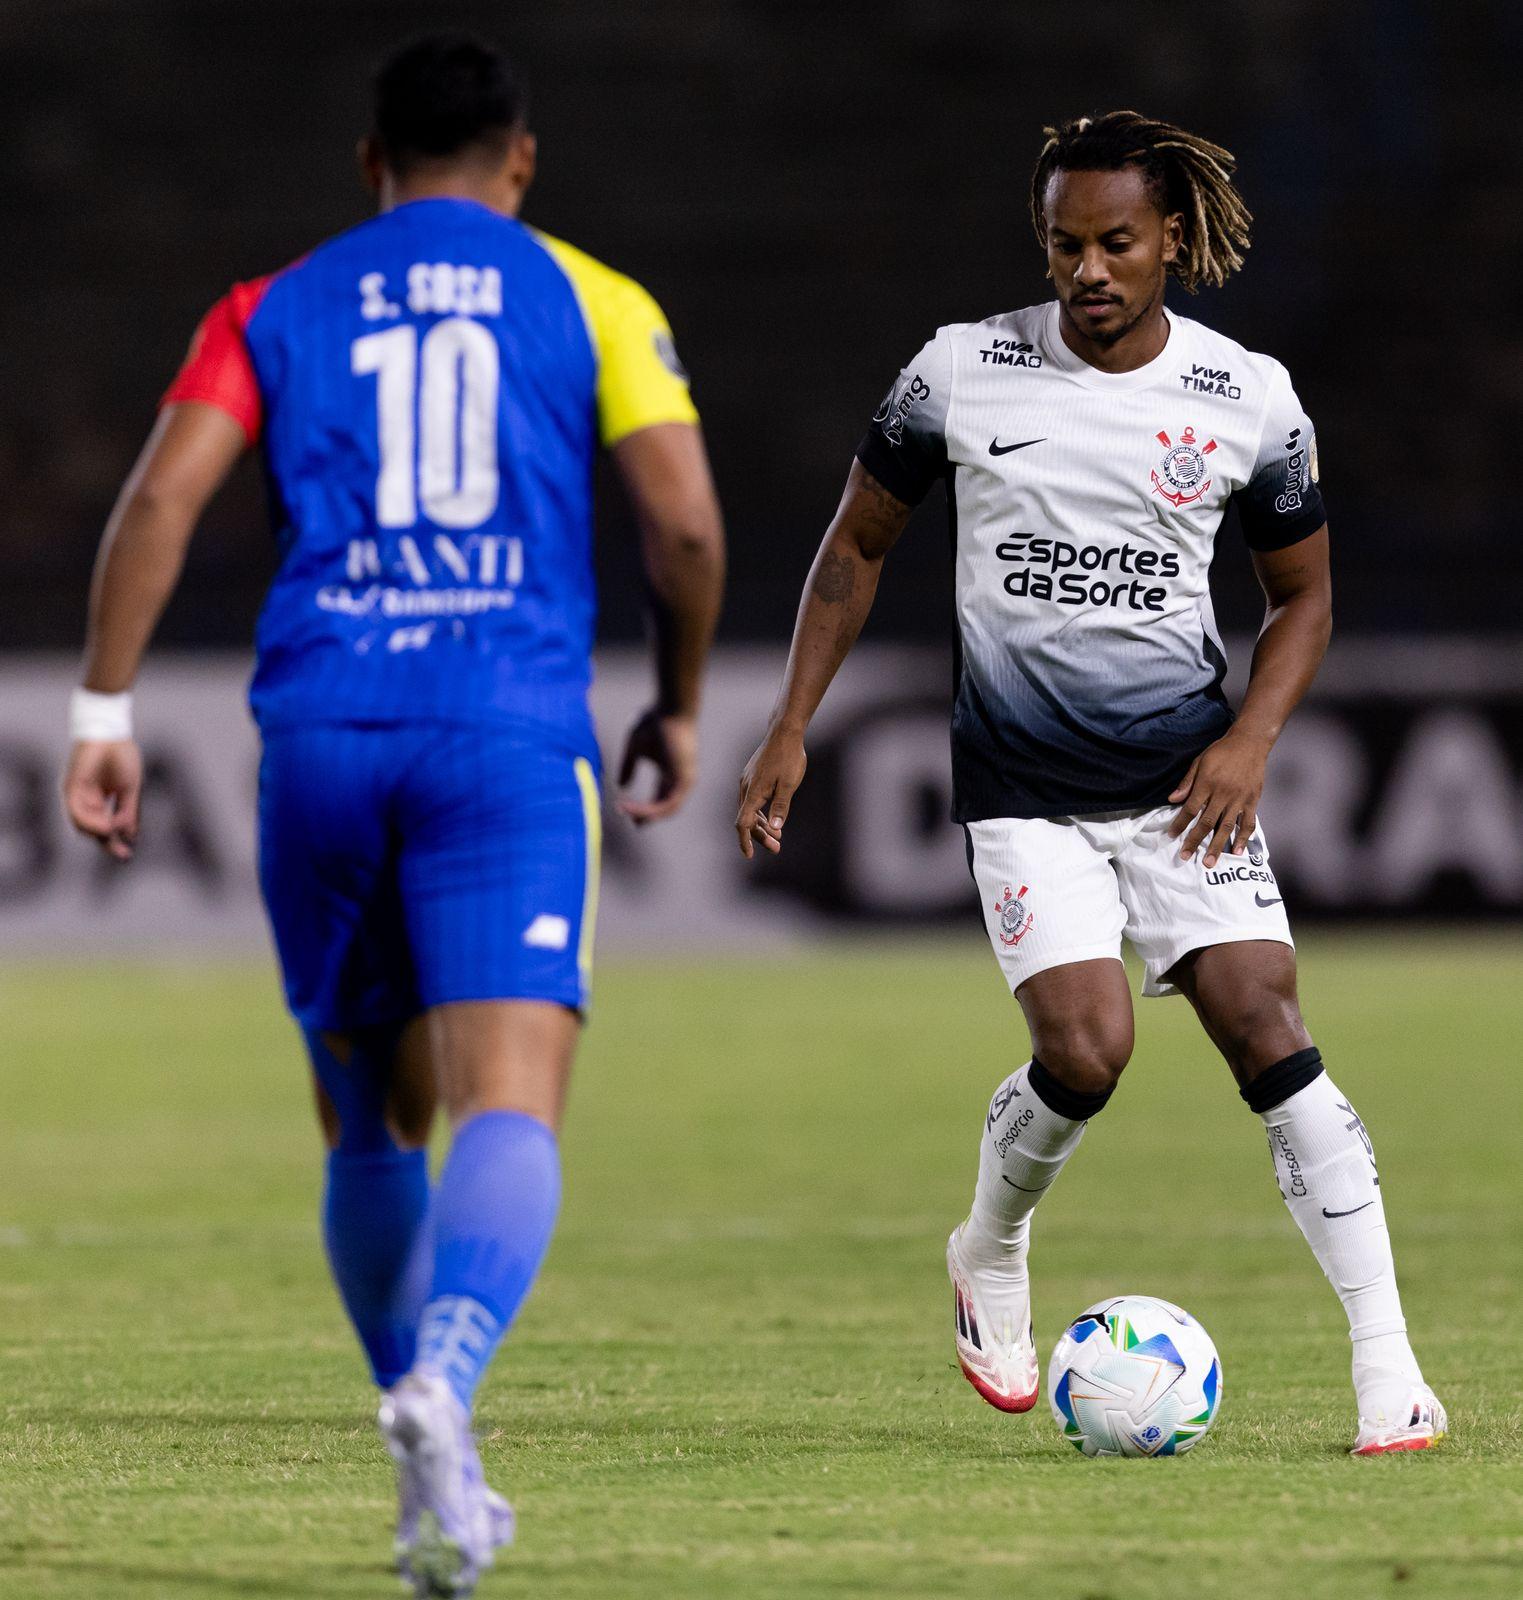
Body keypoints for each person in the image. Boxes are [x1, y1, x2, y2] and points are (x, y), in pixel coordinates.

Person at [63, 32, 725, 1594]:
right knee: (510, 1095)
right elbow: (686, 528)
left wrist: (105, 707)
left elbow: (162, 497)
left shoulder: (274, 303)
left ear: (371, 165)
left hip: (324, 729)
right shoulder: (596, 298)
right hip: (499, 729)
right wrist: (682, 697)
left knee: (369, 1115)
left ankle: (437, 1459)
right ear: (523, 160)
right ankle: (448, 1378)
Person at [736, 111, 1442, 1457]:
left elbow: (1304, 599)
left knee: (1271, 1029)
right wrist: (790, 724)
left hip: (1186, 783)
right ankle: (988, 1250)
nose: (1089, 271)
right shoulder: (959, 372)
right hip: (1022, 786)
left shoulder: (1249, 398)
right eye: (1065, 244)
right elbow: (855, 545)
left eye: (1117, 242)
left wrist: (1248, 746)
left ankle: (1388, 1370)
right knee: (1088, 1050)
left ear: (1169, 235)